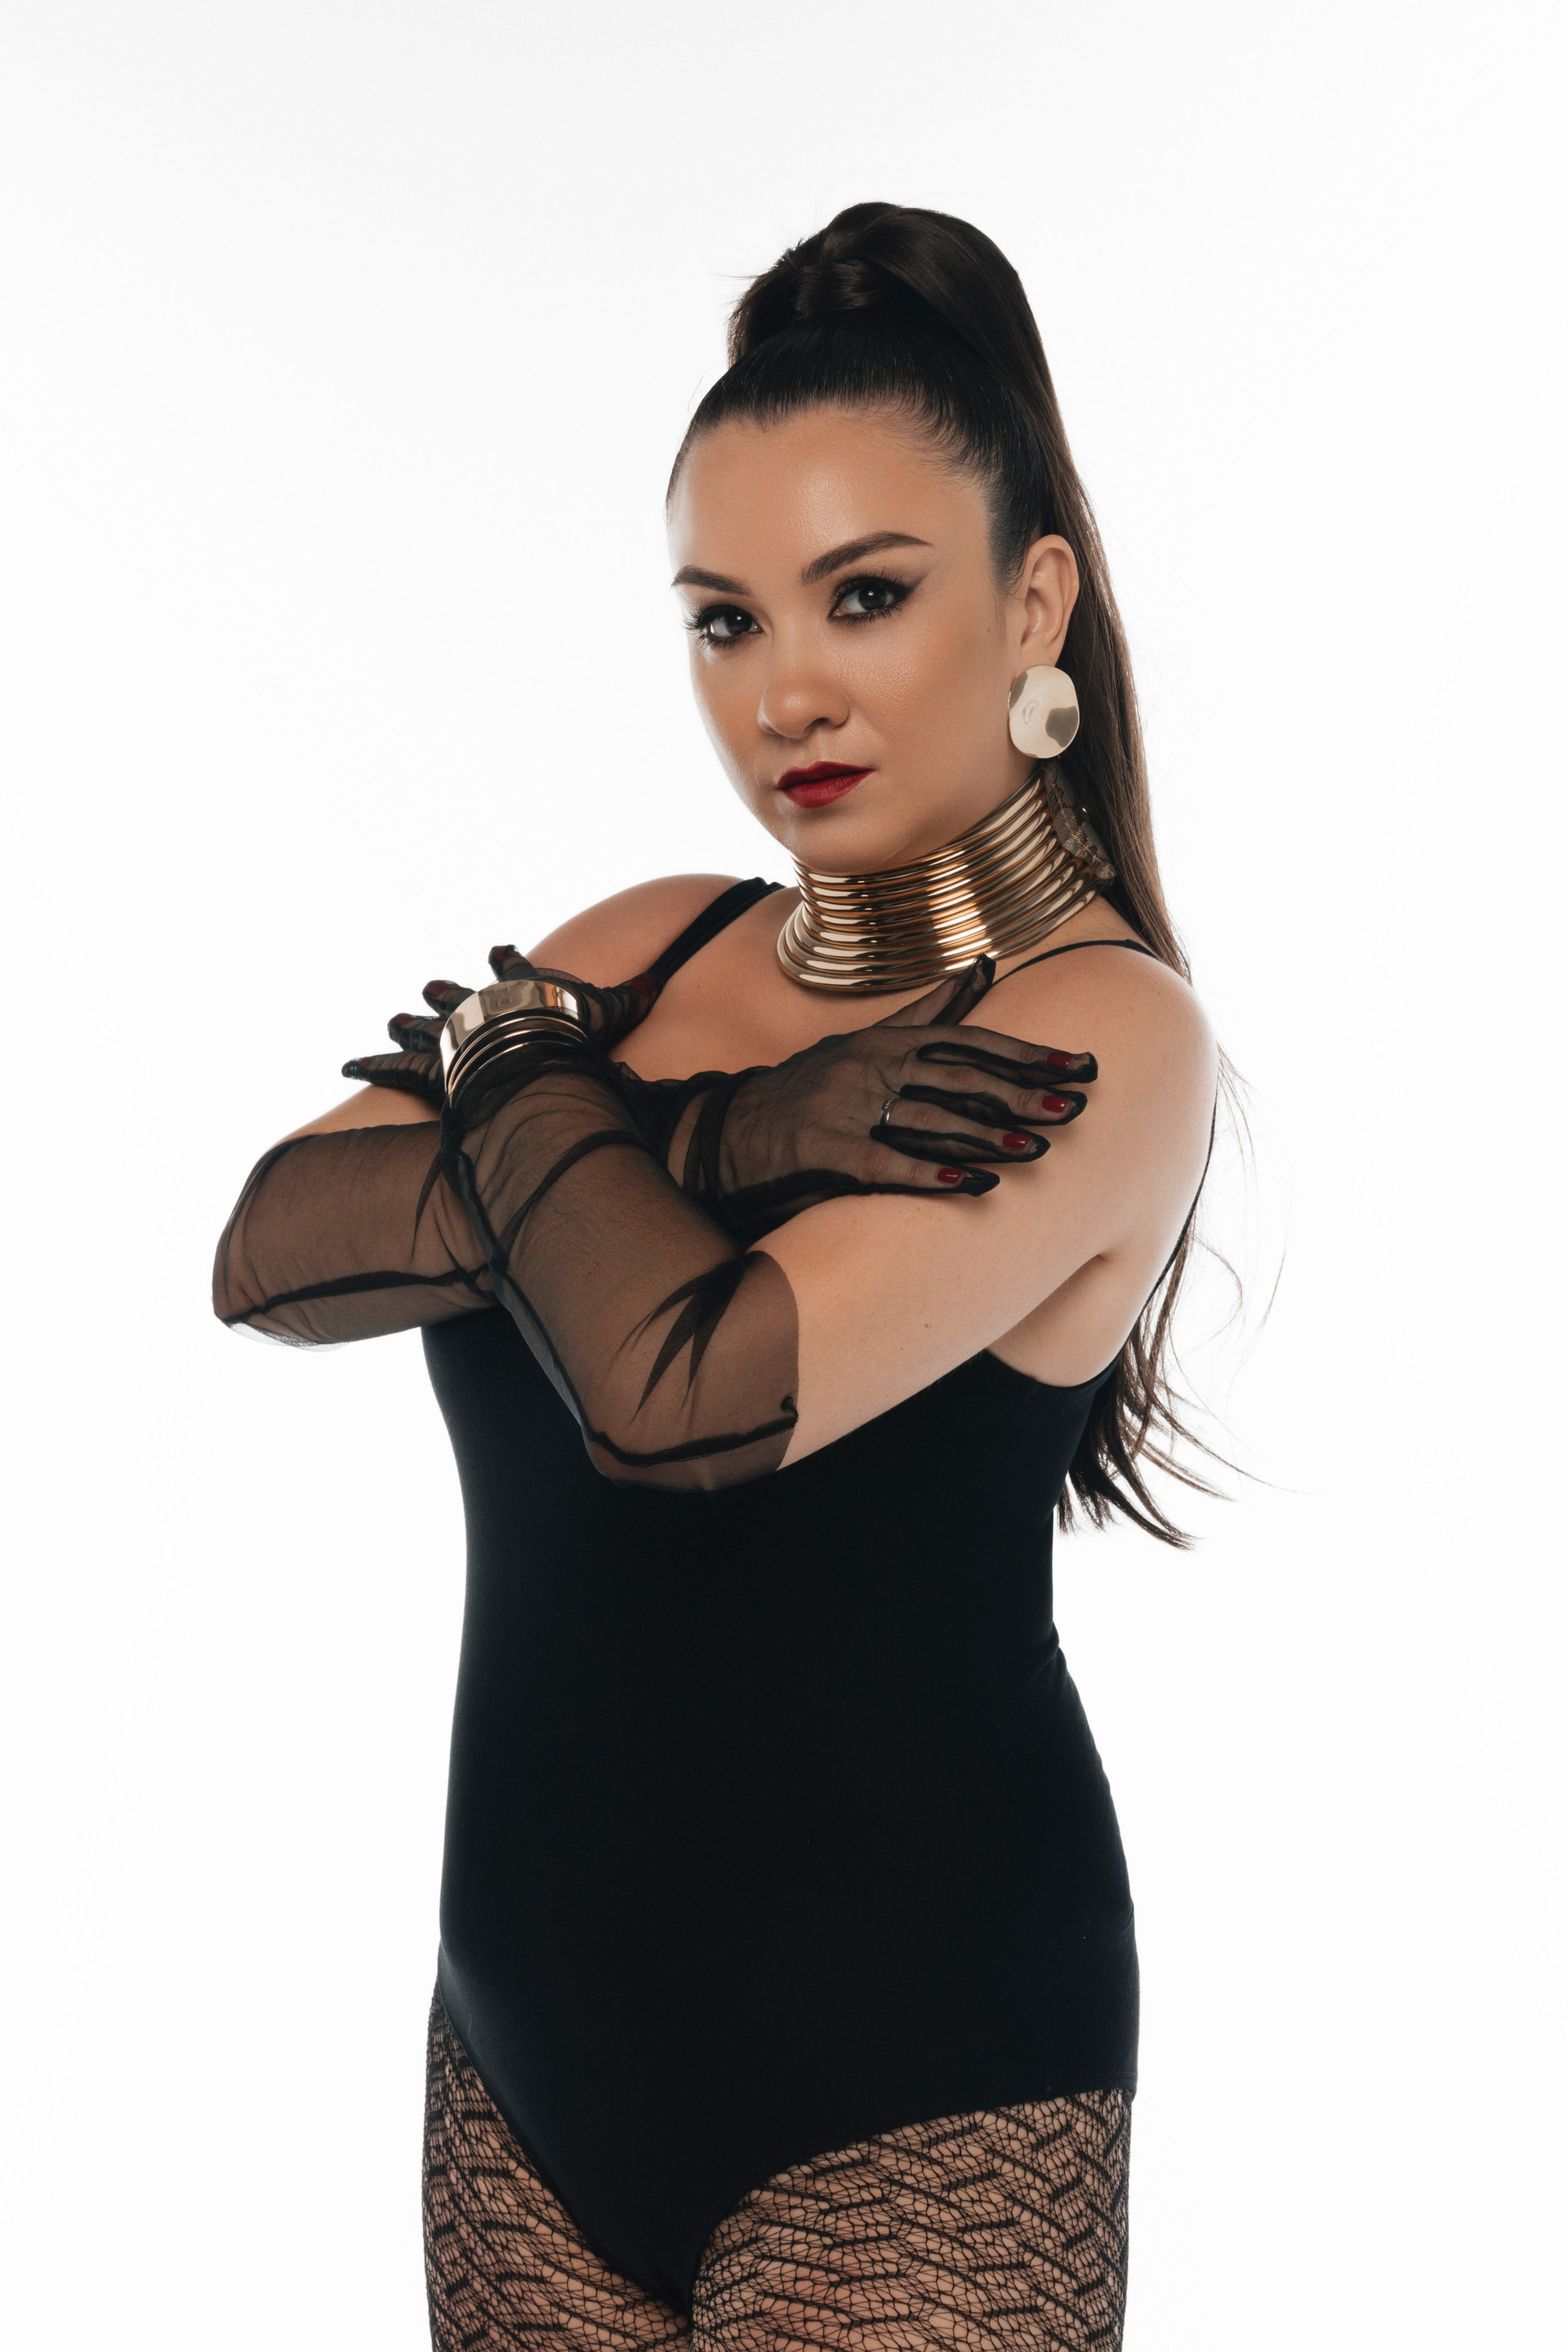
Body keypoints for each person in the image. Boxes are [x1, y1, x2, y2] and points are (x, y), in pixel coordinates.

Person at [214, 201, 1218, 2352]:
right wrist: (735, 1134)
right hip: (520, 2072)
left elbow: (676, 1392)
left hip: (915, 2094)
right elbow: (274, 1246)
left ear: (1034, 601)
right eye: (724, 619)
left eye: (868, 595)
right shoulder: (650, 941)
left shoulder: (1096, 1034)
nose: (786, 693)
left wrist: (529, 1081)